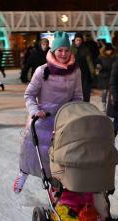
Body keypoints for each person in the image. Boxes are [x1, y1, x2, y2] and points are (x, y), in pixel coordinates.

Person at [13, 31, 83, 193]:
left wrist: (75, 111)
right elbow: (29, 95)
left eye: (66, 50)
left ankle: (56, 182)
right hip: (42, 119)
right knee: (32, 151)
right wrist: (35, 110)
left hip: (64, 120)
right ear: (53, 51)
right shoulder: (42, 71)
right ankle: (23, 173)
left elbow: (78, 95)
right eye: (60, 50)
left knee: (59, 155)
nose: (63, 54)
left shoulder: (75, 71)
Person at [71, 32, 95, 102]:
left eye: (80, 40)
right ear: (74, 40)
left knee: (85, 90)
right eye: (77, 40)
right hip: (73, 72)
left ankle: (85, 103)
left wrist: (92, 72)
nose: (78, 42)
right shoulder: (70, 49)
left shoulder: (85, 49)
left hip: (84, 72)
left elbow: (89, 61)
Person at [96, 43, 116, 112]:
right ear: (105, 50)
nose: (109, 52)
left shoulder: (114, 57)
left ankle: (111, 105)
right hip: (104, 76)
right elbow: (98, 64)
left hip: (112, 76)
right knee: (105, 91)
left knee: (112, 91)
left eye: (110, 50)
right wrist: (99, 67)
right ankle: (103, 104)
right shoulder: (101, 57)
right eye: (108, 50)